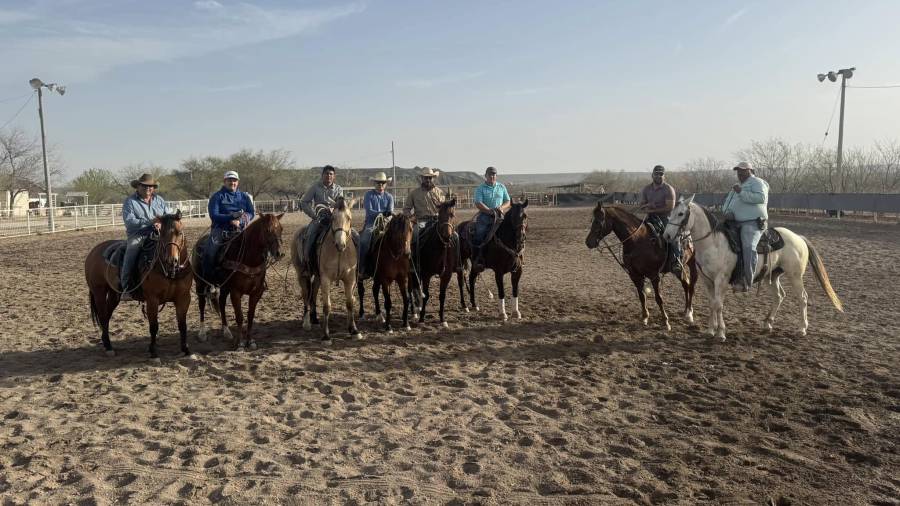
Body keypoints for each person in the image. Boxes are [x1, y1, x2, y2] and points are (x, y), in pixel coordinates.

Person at [722, 161, 770, 291]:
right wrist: (726, 212)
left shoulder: (757, 182)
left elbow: (761, 198)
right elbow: (728, 202)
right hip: (734, 222)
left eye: (743, 171)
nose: (740, 173)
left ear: (751, 171)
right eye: (738, 171)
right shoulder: (737, 186)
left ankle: (746, 280)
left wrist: (741, 192)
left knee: (748, 246)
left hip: (752, 222)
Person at [120, 173, 168, 301]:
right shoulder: (130, 201)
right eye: (145, 186)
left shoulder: (160, 200)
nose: (148, 188)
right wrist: (150, 221)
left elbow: (167, 215)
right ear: (138, 186)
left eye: (151, 186)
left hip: (159, 233)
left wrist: (164, 222)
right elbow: (129, 221)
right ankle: (126, 288)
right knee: (131, 252)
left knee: (174, 248)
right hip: (139, 235)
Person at [203, 170, 255, 287]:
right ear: (224, 181)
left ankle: (259, 279)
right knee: (210, 253)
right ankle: (209, 283)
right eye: (229, 180)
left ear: (238, 182)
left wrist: (241, 221)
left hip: (240, 230)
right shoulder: (217, 197)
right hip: (220, 230)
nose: (232, 182)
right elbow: (214, 215)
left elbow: (251, 213)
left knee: (257, 249)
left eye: (234, 180)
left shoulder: (245, 197)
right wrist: (230, 218)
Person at [638, 164, 681, 277]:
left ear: (664, 176)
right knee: (636, 233)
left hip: (666, 218)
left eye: (661, 174)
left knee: (672, 236)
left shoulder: (668, 189)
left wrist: (653, 209)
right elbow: (641, 206)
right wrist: (648, 205)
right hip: (649, 218)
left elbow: (669, 207)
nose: (659, 176)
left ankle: (677, 260)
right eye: (656, 174)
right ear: (652, 175)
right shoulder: (646, 189)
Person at [300, 165, 344, 270]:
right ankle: (307, 263)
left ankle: (352, 265)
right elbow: (304, 202)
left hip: (335, 219)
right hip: (319, 218)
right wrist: (313, 215)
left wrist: (336, 208)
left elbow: (341, 204)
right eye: (326, 174)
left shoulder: (338, 189)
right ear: (322, 175)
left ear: (334, 176)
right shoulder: (315, 187)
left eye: (331, 174)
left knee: (352, 235)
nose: (328, 176)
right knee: (310, 235)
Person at [472, 166, 511, 270]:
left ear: (496, 176)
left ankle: (515, 256)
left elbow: (508, 201)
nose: (492, 176)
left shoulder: (501, 187)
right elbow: (478, 203)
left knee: (512, 232)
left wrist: (502, 208)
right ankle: (478, 258)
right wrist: (489, 211)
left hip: (499, 215)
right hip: (485, 215)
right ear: (485, 176)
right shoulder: (480, 188)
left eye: (494, 174)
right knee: (480, 233)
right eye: (490, 174)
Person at [358, 171, 394, 277]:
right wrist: (383, 213)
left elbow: (390, 212)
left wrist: (388, 215)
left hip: (386, 223)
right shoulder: (368, 195)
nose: (380, 185)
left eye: (383, 183)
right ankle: (361, 268)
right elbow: (369, 212)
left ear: (386, 184)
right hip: (371, 224)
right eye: (378, 183)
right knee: (364, 240)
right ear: (375, 183)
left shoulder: (389, 197)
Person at [403, 167, 445, 246]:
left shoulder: (439, 192)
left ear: (433, 178)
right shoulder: (414, 193)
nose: (428, 180)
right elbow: (406, 210)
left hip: (437, 221)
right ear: (422, 178)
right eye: (426, 178)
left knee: (453, 236)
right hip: (421, 221)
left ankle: (455, 257)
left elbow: (444, 208)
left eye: (430, 178)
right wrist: (412, 218)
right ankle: (413, 256)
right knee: (414, 234)